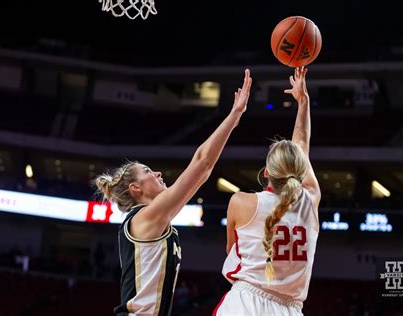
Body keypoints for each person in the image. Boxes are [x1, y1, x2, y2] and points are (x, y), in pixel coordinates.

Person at [94, 69, 252, 316]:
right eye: (147, 171)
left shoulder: (157, 218)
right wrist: (234, 115)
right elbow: (202, 163)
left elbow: (203, 172)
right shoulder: (146, 218)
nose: (157, 173)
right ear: (136, 188)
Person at [213, 66, 321, 316]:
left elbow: (232, 249)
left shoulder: (241, 202)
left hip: (246, 303)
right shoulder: (311, 200)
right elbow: (302, 146)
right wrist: (303, 102)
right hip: (290, 310)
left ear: (265, 173)